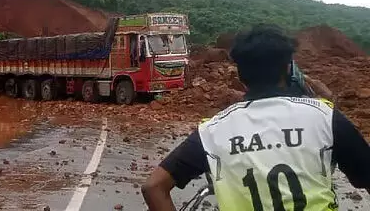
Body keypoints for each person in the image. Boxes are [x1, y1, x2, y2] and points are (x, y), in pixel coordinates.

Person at [142, 24, 370, 210]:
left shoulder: (213, 131)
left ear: (241, 75)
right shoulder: (324, 117)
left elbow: (153, 187)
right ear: (288, 69)